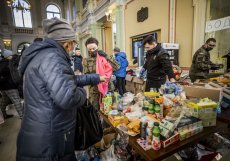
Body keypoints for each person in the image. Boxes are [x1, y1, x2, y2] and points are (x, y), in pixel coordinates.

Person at [16, 17, 106, 161]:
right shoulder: (53, 58)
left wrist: (94, 78)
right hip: (50, 138)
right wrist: (83, 92)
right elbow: (68, 97)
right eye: (73, 43)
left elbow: (67, 80)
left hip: (41, 130)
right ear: (67, 43)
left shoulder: (43, 55)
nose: (73, 47)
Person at [84, 37, 119, 110]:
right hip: (94, 91)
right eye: (90, 49)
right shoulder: (87, 61)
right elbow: (86, 77)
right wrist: (97, 78)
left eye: (94, 48)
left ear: (97, 46)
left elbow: (117, 67)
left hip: (107, 89)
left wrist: (106, 56)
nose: (92, 51)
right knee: (94, 112)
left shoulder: (105, 57)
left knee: (108, 111)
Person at [0, 49, 23, 119]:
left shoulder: (4, 62)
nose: (12, 56)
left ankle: (3, 115)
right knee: (17, 101)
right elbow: (4, 72)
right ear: (7, 56)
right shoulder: (6, 63)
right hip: (9, 86)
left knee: (4, 101)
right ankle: (23, 117)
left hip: (4, 86)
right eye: (11, 55)